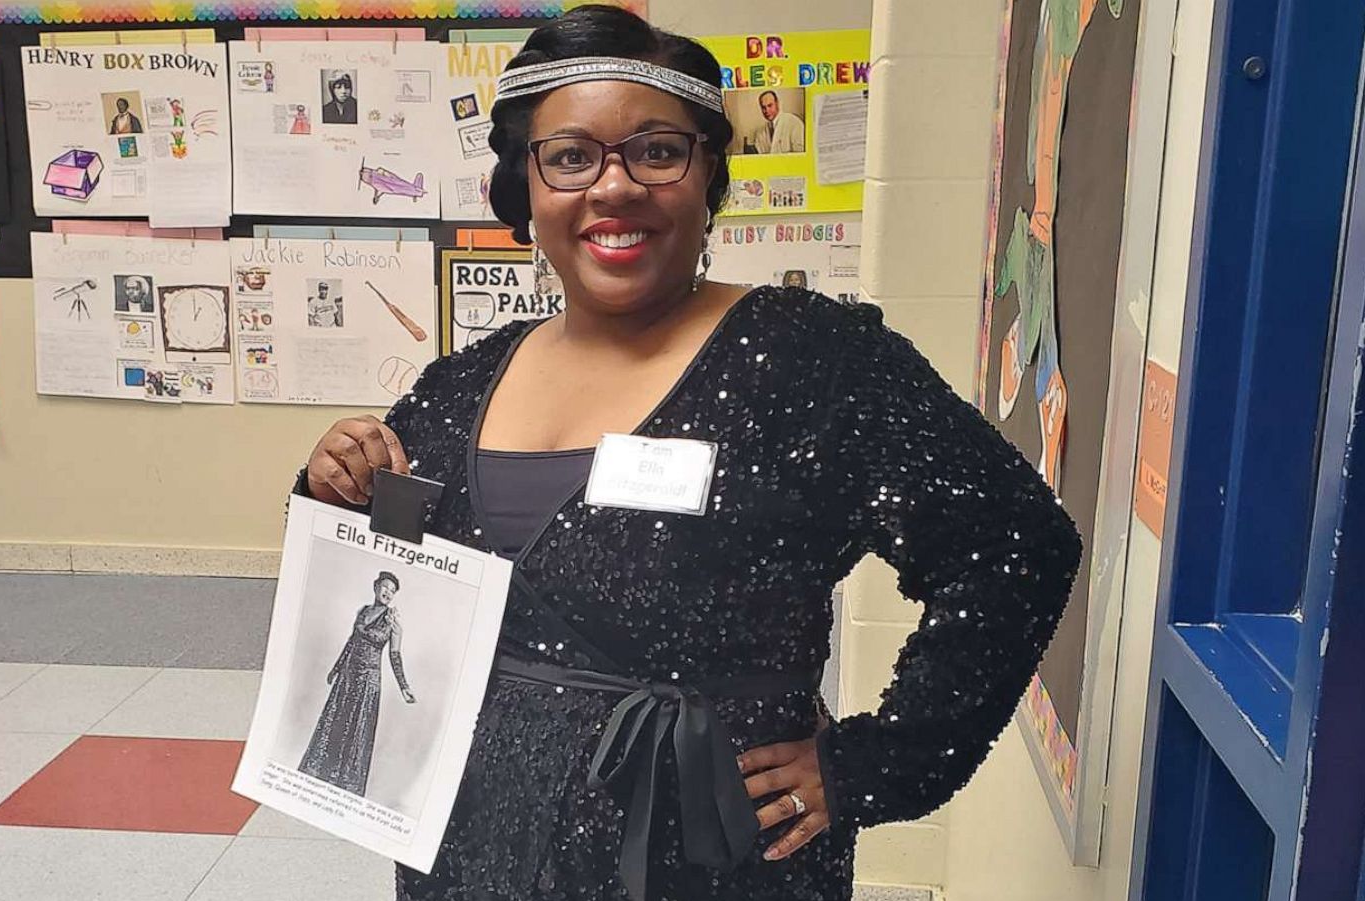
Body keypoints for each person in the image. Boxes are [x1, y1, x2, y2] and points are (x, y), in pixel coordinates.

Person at [294, 7, 1080, 901]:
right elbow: (386, 561)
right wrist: (334, 483)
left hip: (703, 847)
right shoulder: (461, 381)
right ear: (525, 188)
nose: (614, 187)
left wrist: (878, 761)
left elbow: (1016, 547)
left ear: (709, 175)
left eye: (658, 151)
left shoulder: (807, 360)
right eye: (571, 156)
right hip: (474, 836)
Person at [299, 571, 416, 795]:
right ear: (375, 587)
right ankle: (323, 775)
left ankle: (346, 785)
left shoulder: (393, 624)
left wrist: (404, 687)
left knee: (356, 732)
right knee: (336, 724)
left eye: (392, 591)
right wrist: (336, 668)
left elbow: (394, 656)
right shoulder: (363, 612)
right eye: (385, 587)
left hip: (368, 683)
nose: (388, 593)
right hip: (348, 677)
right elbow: (351, 642)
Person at [748, 90, 805, 154]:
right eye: (763, 107)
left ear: (777, 103)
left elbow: (800, 156)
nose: (767, 110)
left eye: (770, 105)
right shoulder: (761, 133)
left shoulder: (794, 123)